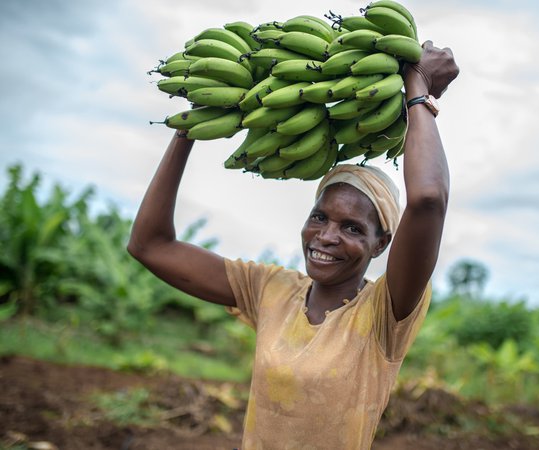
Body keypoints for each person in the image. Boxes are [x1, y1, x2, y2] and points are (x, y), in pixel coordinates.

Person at [128, 41, 459, 449]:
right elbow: (150, 245)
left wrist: (418, 89)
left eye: (353, 228)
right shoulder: (272, 290)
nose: (327, 236)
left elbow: (427, 199)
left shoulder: (383, 315)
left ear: (380, 244)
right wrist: (188, 127)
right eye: (320, 217)